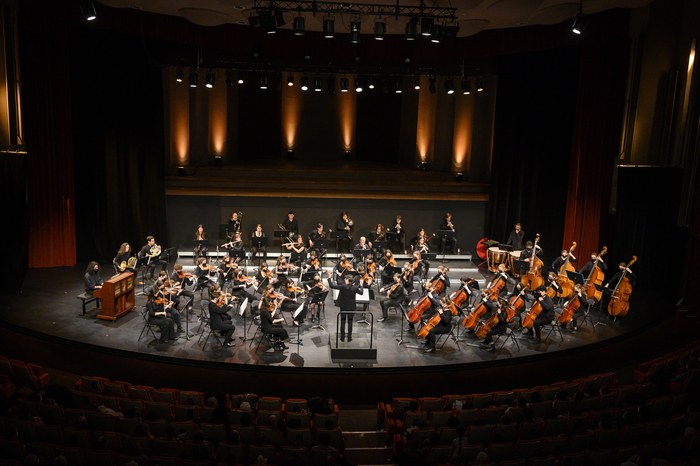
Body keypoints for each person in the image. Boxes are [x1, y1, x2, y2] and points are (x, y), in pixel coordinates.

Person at [327, 269, 361, 342]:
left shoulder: (343, 286)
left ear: (347, 280)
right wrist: (361, 285)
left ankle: (342, 337)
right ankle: (349, 337)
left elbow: (332, 286)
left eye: (345, 279)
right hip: (351, 306)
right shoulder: (355, 288)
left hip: (343, 306)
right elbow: (361, 292)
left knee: (342, 321)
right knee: (350, 322)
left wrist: (329, 277)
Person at [259, 285, 289, 350]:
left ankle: (277, 341)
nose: (271, 303)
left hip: (266, 325)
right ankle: (281, 343)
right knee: (283, 330)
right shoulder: (265, 311)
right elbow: (272, 321)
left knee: (280, 326)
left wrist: (275, 307)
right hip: (267, 328)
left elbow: (271, 316)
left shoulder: (265, 310)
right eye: (270, 302)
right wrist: (281, 319)